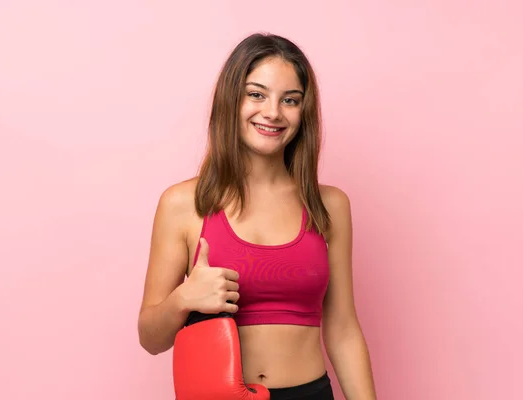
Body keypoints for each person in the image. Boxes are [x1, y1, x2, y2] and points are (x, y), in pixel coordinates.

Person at [137, 32, 377, 400]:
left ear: (304, 111)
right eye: (256, 94)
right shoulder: (183, 203)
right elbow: (151, 339)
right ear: (232, 100)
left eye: (290, 100)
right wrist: (184, 298)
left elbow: (343, 329)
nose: (272, 112)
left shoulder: (329, 206)